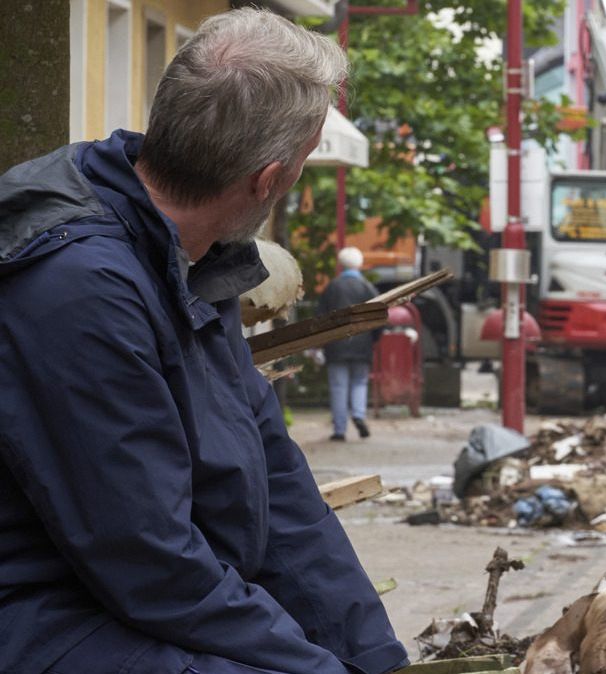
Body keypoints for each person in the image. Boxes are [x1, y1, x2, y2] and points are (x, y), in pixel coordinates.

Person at [0, 9, 409, 674]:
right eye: (305, 161)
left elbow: (281, 494)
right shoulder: (77, 290)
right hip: (43, 613)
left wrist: (372, 657)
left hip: (125, 599)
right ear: (267, 180)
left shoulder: (197, 259)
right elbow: (145, 558)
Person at [319, 246, 380, 441]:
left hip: (336, 345)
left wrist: (320, 343)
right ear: (360, 264)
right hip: (362, 346)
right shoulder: (367, 288)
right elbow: (379, 317)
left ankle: (339, 430)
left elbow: (320, 317)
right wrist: (373, 339)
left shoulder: (332, 287)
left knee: (338, 386)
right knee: (360, 382)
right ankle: (359, 415)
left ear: (340, 264)